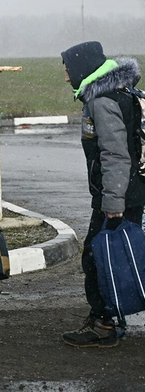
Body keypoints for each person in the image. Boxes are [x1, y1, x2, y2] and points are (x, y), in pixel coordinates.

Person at [60, 41, 145, 348]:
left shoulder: (102, 100)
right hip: (128, 191)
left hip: (119, 195)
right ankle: (109, 319)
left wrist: (112, 202)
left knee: (100, 260)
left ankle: (104, 324)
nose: (66, 77)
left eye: (68, 69)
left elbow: (115, 155)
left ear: (82, 67)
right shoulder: (118, 92)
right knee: (117, 258)